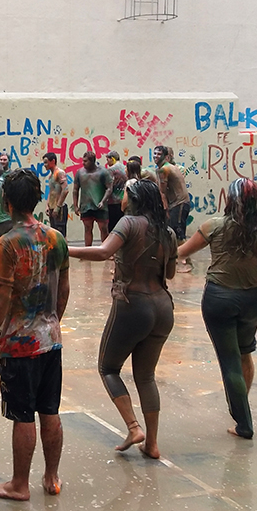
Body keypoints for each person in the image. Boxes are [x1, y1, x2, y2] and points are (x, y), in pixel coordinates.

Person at [177, 178, 257, 439]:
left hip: (219, 299)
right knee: (244, 354)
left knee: (230, 362)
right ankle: (240, 405)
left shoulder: (214, 226)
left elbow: (181, 252)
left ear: (230, 200)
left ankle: (244, 422)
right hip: (250, 301)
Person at [69, 179, 177, 458]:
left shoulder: (128, 223)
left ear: (135, 198)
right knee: (146, 376)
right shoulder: (167, 231)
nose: (122, 198)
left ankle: (133, 427)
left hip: (133, 304)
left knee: (108, 368)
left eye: (125, 193)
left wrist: (63, 249)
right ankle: (152, 444)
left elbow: (103, 251)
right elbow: (170, 273)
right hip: (163, 307)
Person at [0, 168, 70, 501]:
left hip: (20, 343)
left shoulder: (7, 243)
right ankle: (51, 476)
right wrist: (52, 322)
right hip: (51, 339)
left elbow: (2, 298)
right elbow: (64, 288)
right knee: (50, 410)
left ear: (7, 201)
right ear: (36, 199)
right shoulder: (56, 238)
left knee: (22, 414)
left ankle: (19, 485)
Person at [153, 146, 191, 263]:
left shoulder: (164, 169)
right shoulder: (164, 168)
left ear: (166, 157)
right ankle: (174, 259)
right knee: (172, 233)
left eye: (159, 154)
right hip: (178, 204)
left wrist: (165, 210)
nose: (156, 156)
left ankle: (187, 262)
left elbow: (162, 192)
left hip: (179, 204)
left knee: (178, 234)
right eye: (155, 153)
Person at [73, 151, 113, 247]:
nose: (83, 163)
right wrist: (75, 205)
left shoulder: (103, 172)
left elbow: (109, 188)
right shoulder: (80, 173)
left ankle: (105, 250)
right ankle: (88, 250)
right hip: (86, 206)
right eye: (83, 161)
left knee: (103, 229)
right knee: (87, 228)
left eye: (85, 161)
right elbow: (75, 190)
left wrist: (103, 201)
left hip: (100, 206)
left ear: (92, 161)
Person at [43, 152, 69, 237]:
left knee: (61, 235)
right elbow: (51, 192)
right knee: (54, 234)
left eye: (46, 162)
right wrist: (47, 205)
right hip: (52, 208)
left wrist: (58, 207)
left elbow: (65, 190)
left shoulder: (59, 173)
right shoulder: (51, 176)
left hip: (59, 208)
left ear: (53, 161)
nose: (44, 165)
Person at [106, 151, 127, 233]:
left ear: (112, 159)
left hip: (113, 201)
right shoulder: (125, 167)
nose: (107, 162)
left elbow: (109, 186)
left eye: (107, 159)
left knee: (112, 226)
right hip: (123, 199)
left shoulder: (111, 170)